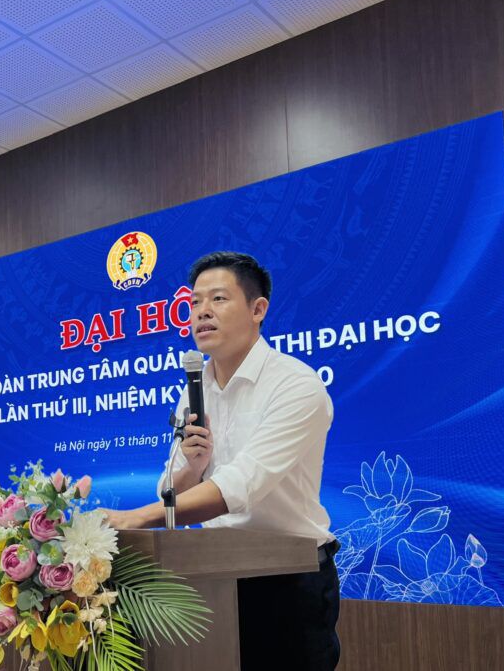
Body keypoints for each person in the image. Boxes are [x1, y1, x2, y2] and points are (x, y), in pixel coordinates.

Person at [100, 251, 340, 670]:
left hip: (288, 580)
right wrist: (191, 467)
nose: (202, 312)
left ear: (257, 309)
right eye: (194, 302)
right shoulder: (195, 389)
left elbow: (240, 485)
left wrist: (138, 517)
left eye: (218, 299)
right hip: (213, 572)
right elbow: (170, 489)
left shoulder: (296, 385)